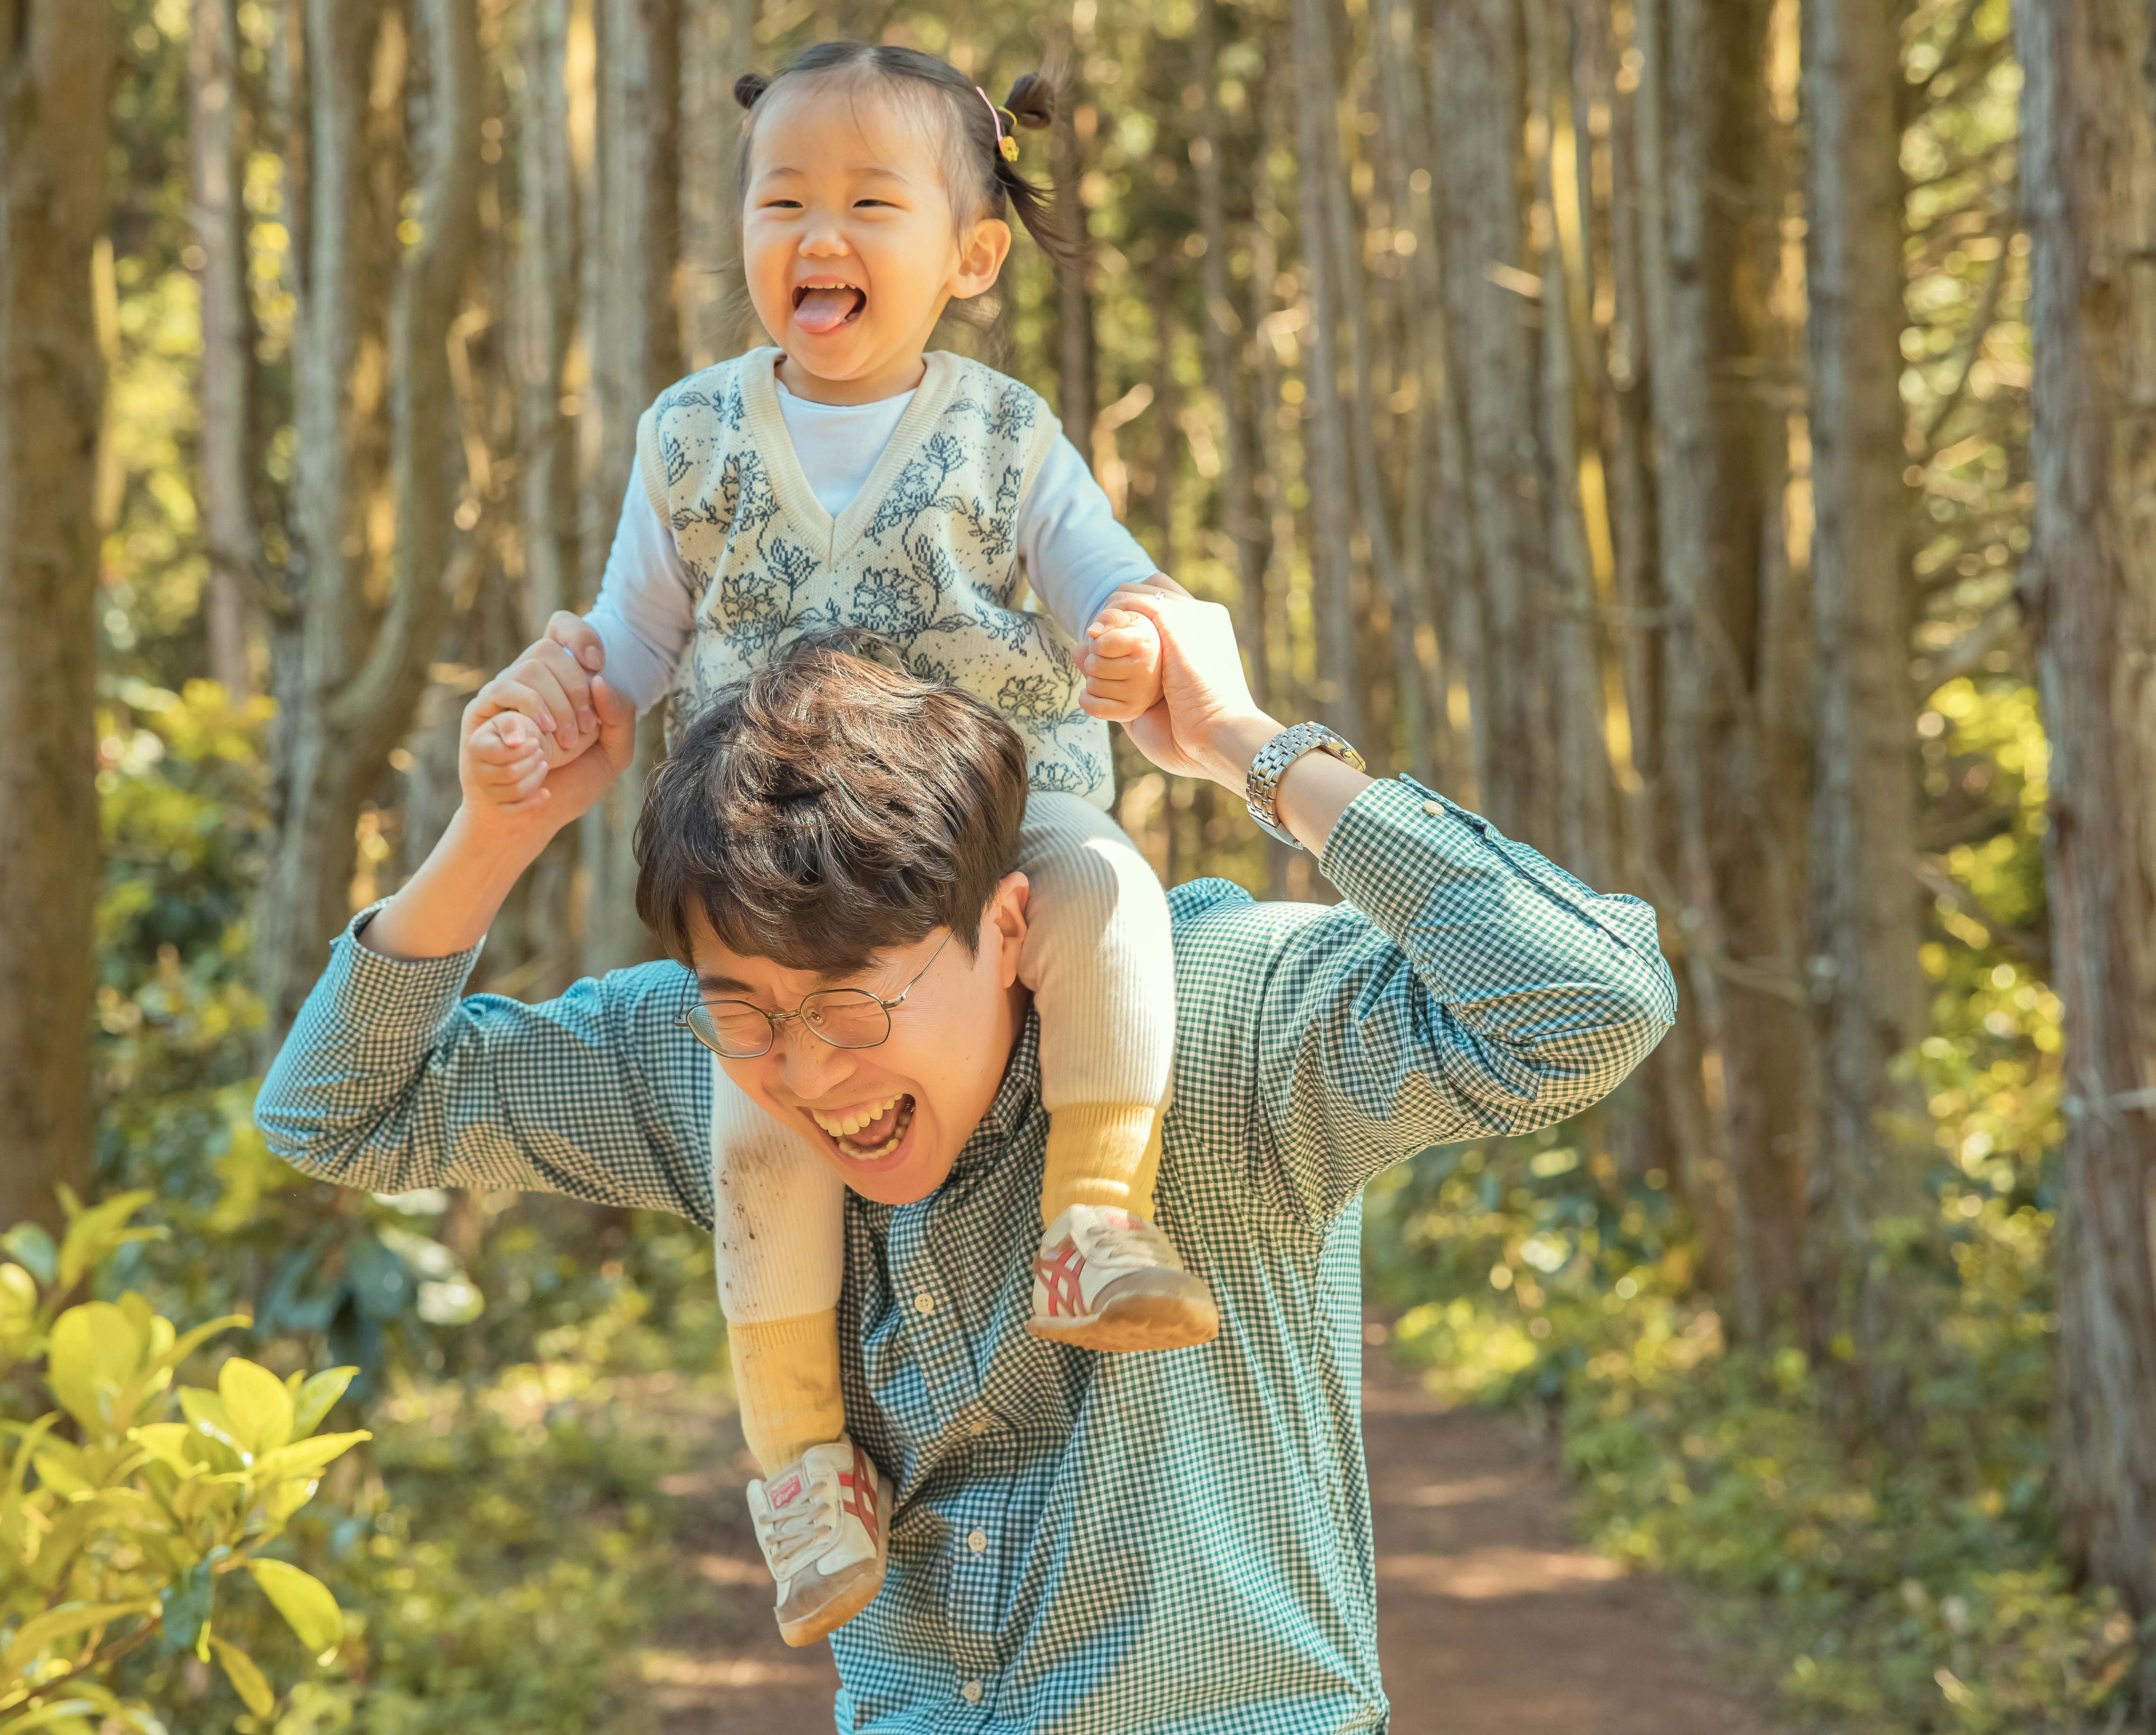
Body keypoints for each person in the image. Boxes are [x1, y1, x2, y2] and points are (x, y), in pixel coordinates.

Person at [255, 589, 1679, 1734]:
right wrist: (494, 830)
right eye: (747, 1011)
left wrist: (1252, 745)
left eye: (856, 1005)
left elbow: (1589, 1000)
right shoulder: (709, 1073)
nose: (811, 1076)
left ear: (1005, 930)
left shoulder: (1229, 1021)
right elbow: (339, 1111)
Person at [456, 39, 1214, 1647]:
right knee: (761, 1126)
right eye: (783, 198)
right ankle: (805, 1471)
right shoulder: (692, 438)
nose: (821, 234)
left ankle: (1093, 1215)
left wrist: (1136, 642)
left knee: (1116, 902)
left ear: (972, 254)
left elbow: (1111, 581)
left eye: (874, 202)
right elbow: (629, 639)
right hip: (768, 865)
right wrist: (553, 711)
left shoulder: (1008, 437)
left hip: (992, 809)